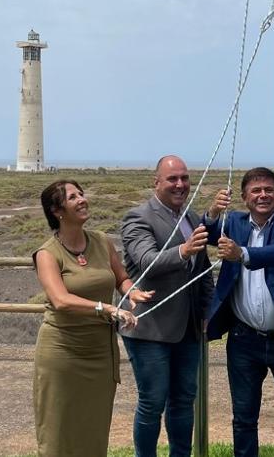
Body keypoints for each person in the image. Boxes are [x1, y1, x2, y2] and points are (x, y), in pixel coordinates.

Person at [202, 167, 274, 457]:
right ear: (244, 198)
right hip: (244, 341)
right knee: (244, 418)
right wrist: (214, 212)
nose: (263, 195)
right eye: (256, 190)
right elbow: (208, 232)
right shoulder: (235, 223)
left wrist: (242, 254)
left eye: (269, 189)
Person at [32, 179, 153, 457]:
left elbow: (120, 278)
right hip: (62, 352)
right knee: (58, 430)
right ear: (57, 210)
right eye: (73, 197)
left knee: (94, 428)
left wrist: (132, 293)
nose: (82, 200)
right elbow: (61, 300)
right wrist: (108, 309)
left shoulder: (101, 240)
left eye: (82, 194)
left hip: (99, 352)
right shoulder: (46, 254)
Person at [119, 155, 215, 457]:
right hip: (150, 329)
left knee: (184, 400)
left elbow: (204, 268)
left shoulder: (190, 216)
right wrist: (184, 251)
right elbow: (147, 262)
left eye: (184, 178)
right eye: (172, 179)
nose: (180, 184)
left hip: (188, 329)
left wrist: (208, 311)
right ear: (156, 182)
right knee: (152, 402)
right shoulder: (138, 218)